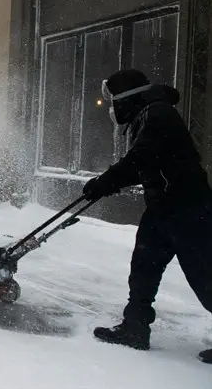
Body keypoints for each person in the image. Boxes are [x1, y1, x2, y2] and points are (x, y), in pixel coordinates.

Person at [82, 69, 212, 364]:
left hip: (189, 212)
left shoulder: (159, 114)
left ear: (127, 98)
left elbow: (141, 158)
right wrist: (110, 183)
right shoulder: (147, 115)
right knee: (143, 270)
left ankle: (135, 327)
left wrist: (105, 182)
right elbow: (146, 165)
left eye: (112, 101)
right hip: (162, 210)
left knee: (206, 279)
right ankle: (135, 329)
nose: (111, 108)